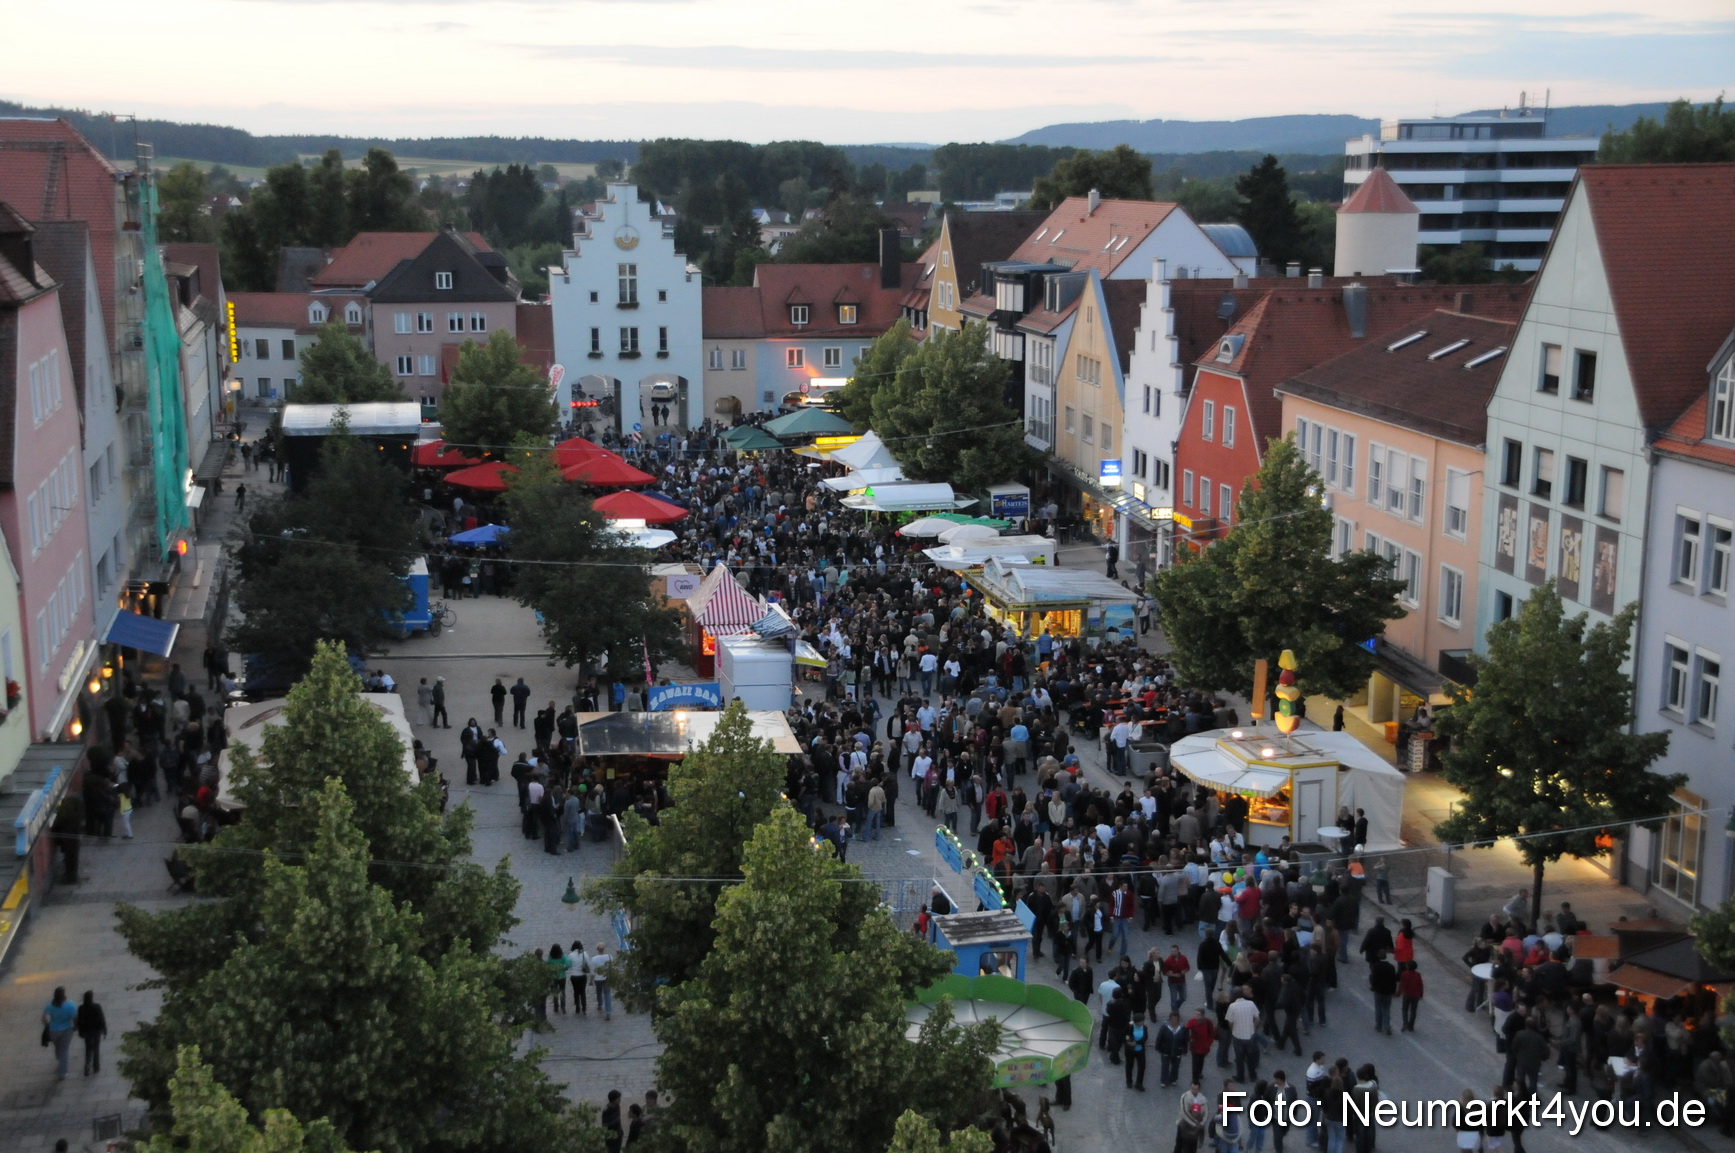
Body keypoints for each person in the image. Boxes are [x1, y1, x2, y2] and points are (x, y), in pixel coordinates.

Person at [42, 986, 78, 1079]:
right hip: (66, 1030)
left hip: (53, 1031)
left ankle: (59, 1057)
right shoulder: (70, 1005)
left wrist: (47, 1025)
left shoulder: (49, 1005)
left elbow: (44, 1018)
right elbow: (75, 1019)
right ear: (64, 995)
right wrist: (75, 1027)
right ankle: (63, 1072)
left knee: (57, 1047)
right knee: (64, 1050)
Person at [75, 990, 107, 1076]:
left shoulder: (81, 1008)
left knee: (88, 1048)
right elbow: (102, 1019)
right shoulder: (97, 1007)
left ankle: (87, 1065)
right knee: (96, 1049)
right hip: (96, 1031)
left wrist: (80, 1032)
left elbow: (79, 1021)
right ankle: (96, 1067)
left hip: (87, 1032)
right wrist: (104, 1030)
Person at [1367, 950, 1397, 1035]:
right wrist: (1394, 991)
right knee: (1386, 1008)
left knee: (1378, 1008)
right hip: (1388, 991)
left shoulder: (1376, 967)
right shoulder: (1391, 967)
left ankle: (1379, 1026)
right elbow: (1393, 980)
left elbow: (1373, 978)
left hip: (1379, 991)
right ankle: (1387, 1026)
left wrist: (1373, 986)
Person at [1157, 1009, 1188, 1088]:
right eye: (1172, 1019)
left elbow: (1185, 1039)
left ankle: (1173, 1079)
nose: (1174, 1021)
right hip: (1165, 1050)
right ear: (1169, 1019)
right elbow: (1159, 1037)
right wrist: (1158, 1047)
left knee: (1176, 1066)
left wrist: (1185, 1049)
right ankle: (1164, 1080)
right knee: (1165, 1066)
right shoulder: (1165, 1027)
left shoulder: (1182, 1028)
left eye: (1175, 1019)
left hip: (1177, 1050)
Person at [1176, 1081, 1209, 1153]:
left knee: (1193, 1146)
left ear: (1199, 1089)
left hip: (1196, 1127)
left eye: (1195, 1089)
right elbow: (1184, 1112)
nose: (1193, 1091)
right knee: (1179, 1144)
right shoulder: (1185, 1096)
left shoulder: (1202, 1099)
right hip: (1184, 1123)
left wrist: (1202, 1123)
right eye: (1192, 1088)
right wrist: (1196, 1124)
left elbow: (1206, 1112)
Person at [1125, 1010, 1149, 1091]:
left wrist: (1137, 1043)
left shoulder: (1144, 1027)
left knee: (1142, 1067)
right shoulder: (1130, 1026)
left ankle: (1139, 1083)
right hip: (1130, 1050)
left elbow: (1145, 1037)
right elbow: (1126, 1035)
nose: (1143, 1022)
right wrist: (1129, 1042)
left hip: (1140, 1050)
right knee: (1129, 1065)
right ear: (1137, 1022)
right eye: (1141, 1021)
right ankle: (1129, 1081)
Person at [1397, 960, 1424, 1032]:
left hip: (1407, 994)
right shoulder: (1418, 975)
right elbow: (1420, 985)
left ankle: (1405, 1023)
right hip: (1415, 995)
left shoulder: (1404, 974)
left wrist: (1398, 993)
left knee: (1405, 1009)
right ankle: (1411, 1025)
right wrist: (1421, 994)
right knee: (1413, 1011)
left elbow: (1402, 985)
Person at [591, 942, 614, 1020]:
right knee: (607, 994)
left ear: (597, 949)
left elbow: (593, 971)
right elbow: (612, 967)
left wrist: (591, 979)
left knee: (599, 992)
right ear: (604, 949)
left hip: (598, 979)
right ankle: (608, 1012)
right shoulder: (609, 956)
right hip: (607, 977)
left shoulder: (594, 959)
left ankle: (600, 1004)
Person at [570, 940, 590, 1013]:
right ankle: (584, 1007)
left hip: (574, 976)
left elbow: (569, 965)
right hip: (582, 976)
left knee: (576, 992)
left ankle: (577, 1007)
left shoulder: (571, 955)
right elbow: (588, 963)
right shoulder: (584, 954)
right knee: (582, 992)